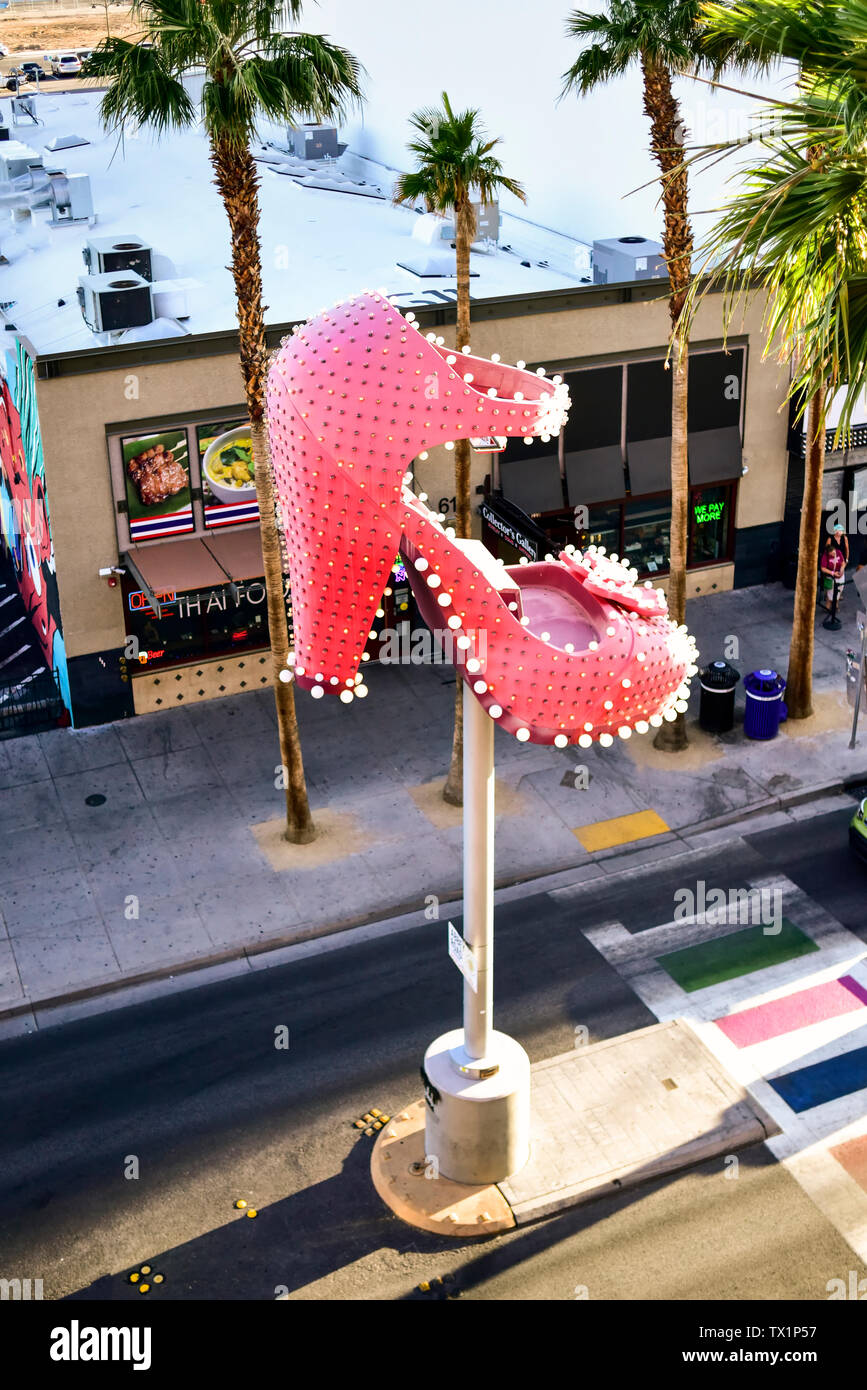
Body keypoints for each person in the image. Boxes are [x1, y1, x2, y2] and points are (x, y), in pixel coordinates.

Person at [820, 535, 846, 610]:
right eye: (832, 554)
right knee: (830, 592)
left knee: (839, 590)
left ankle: (836, 604)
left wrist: (841, 569)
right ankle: (828, 605)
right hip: (830, 576)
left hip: (840, 574)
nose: (834, 554)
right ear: (828, 553)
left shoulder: (838, 552)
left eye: (834, 552)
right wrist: (832, 573)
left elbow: (843, 562)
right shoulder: (825, 556)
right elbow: (823, 568)